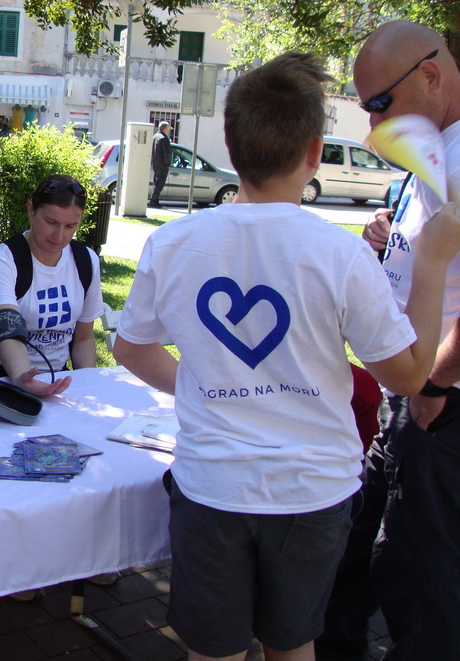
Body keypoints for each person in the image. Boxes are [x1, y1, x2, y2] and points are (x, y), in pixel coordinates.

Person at [112, 51, 460, 661]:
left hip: (211, 486)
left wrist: (199, 384)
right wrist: (431, 259)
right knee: (293, 646)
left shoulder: (173, 244)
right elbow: (407, 375)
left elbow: (131, 348)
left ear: (230, 143)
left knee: (211, 653)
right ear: (314, 152)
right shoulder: (338, 253)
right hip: (313, 494)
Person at [317, 20, 460, 661]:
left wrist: (433, 385)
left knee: (416, 579)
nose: (373, 127)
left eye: (379, 104)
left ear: (430, 75)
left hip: (435, 403)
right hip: (411, 393)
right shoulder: (434, 150)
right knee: (358, 554)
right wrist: (390, 233)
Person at [0, 174, 105, 398]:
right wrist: (23, 378)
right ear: (31, 209)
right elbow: (8, 329)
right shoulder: (1, 261)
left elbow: (84, 337)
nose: (59, 235)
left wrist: (89, 386)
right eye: (51, 222)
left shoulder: (86, 260)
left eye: (70, 226)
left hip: (55, 379)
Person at [148, 120, 172, 206]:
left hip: (156, 163)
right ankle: (153, 201)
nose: (168, 130)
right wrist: (167, 163)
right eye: (168, 128)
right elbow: (166, 153)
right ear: (166, 129)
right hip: (162, 165)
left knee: (156, 182)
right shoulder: (164, 138)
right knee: (160, 184)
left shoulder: (155, 136)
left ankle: (155, 200)